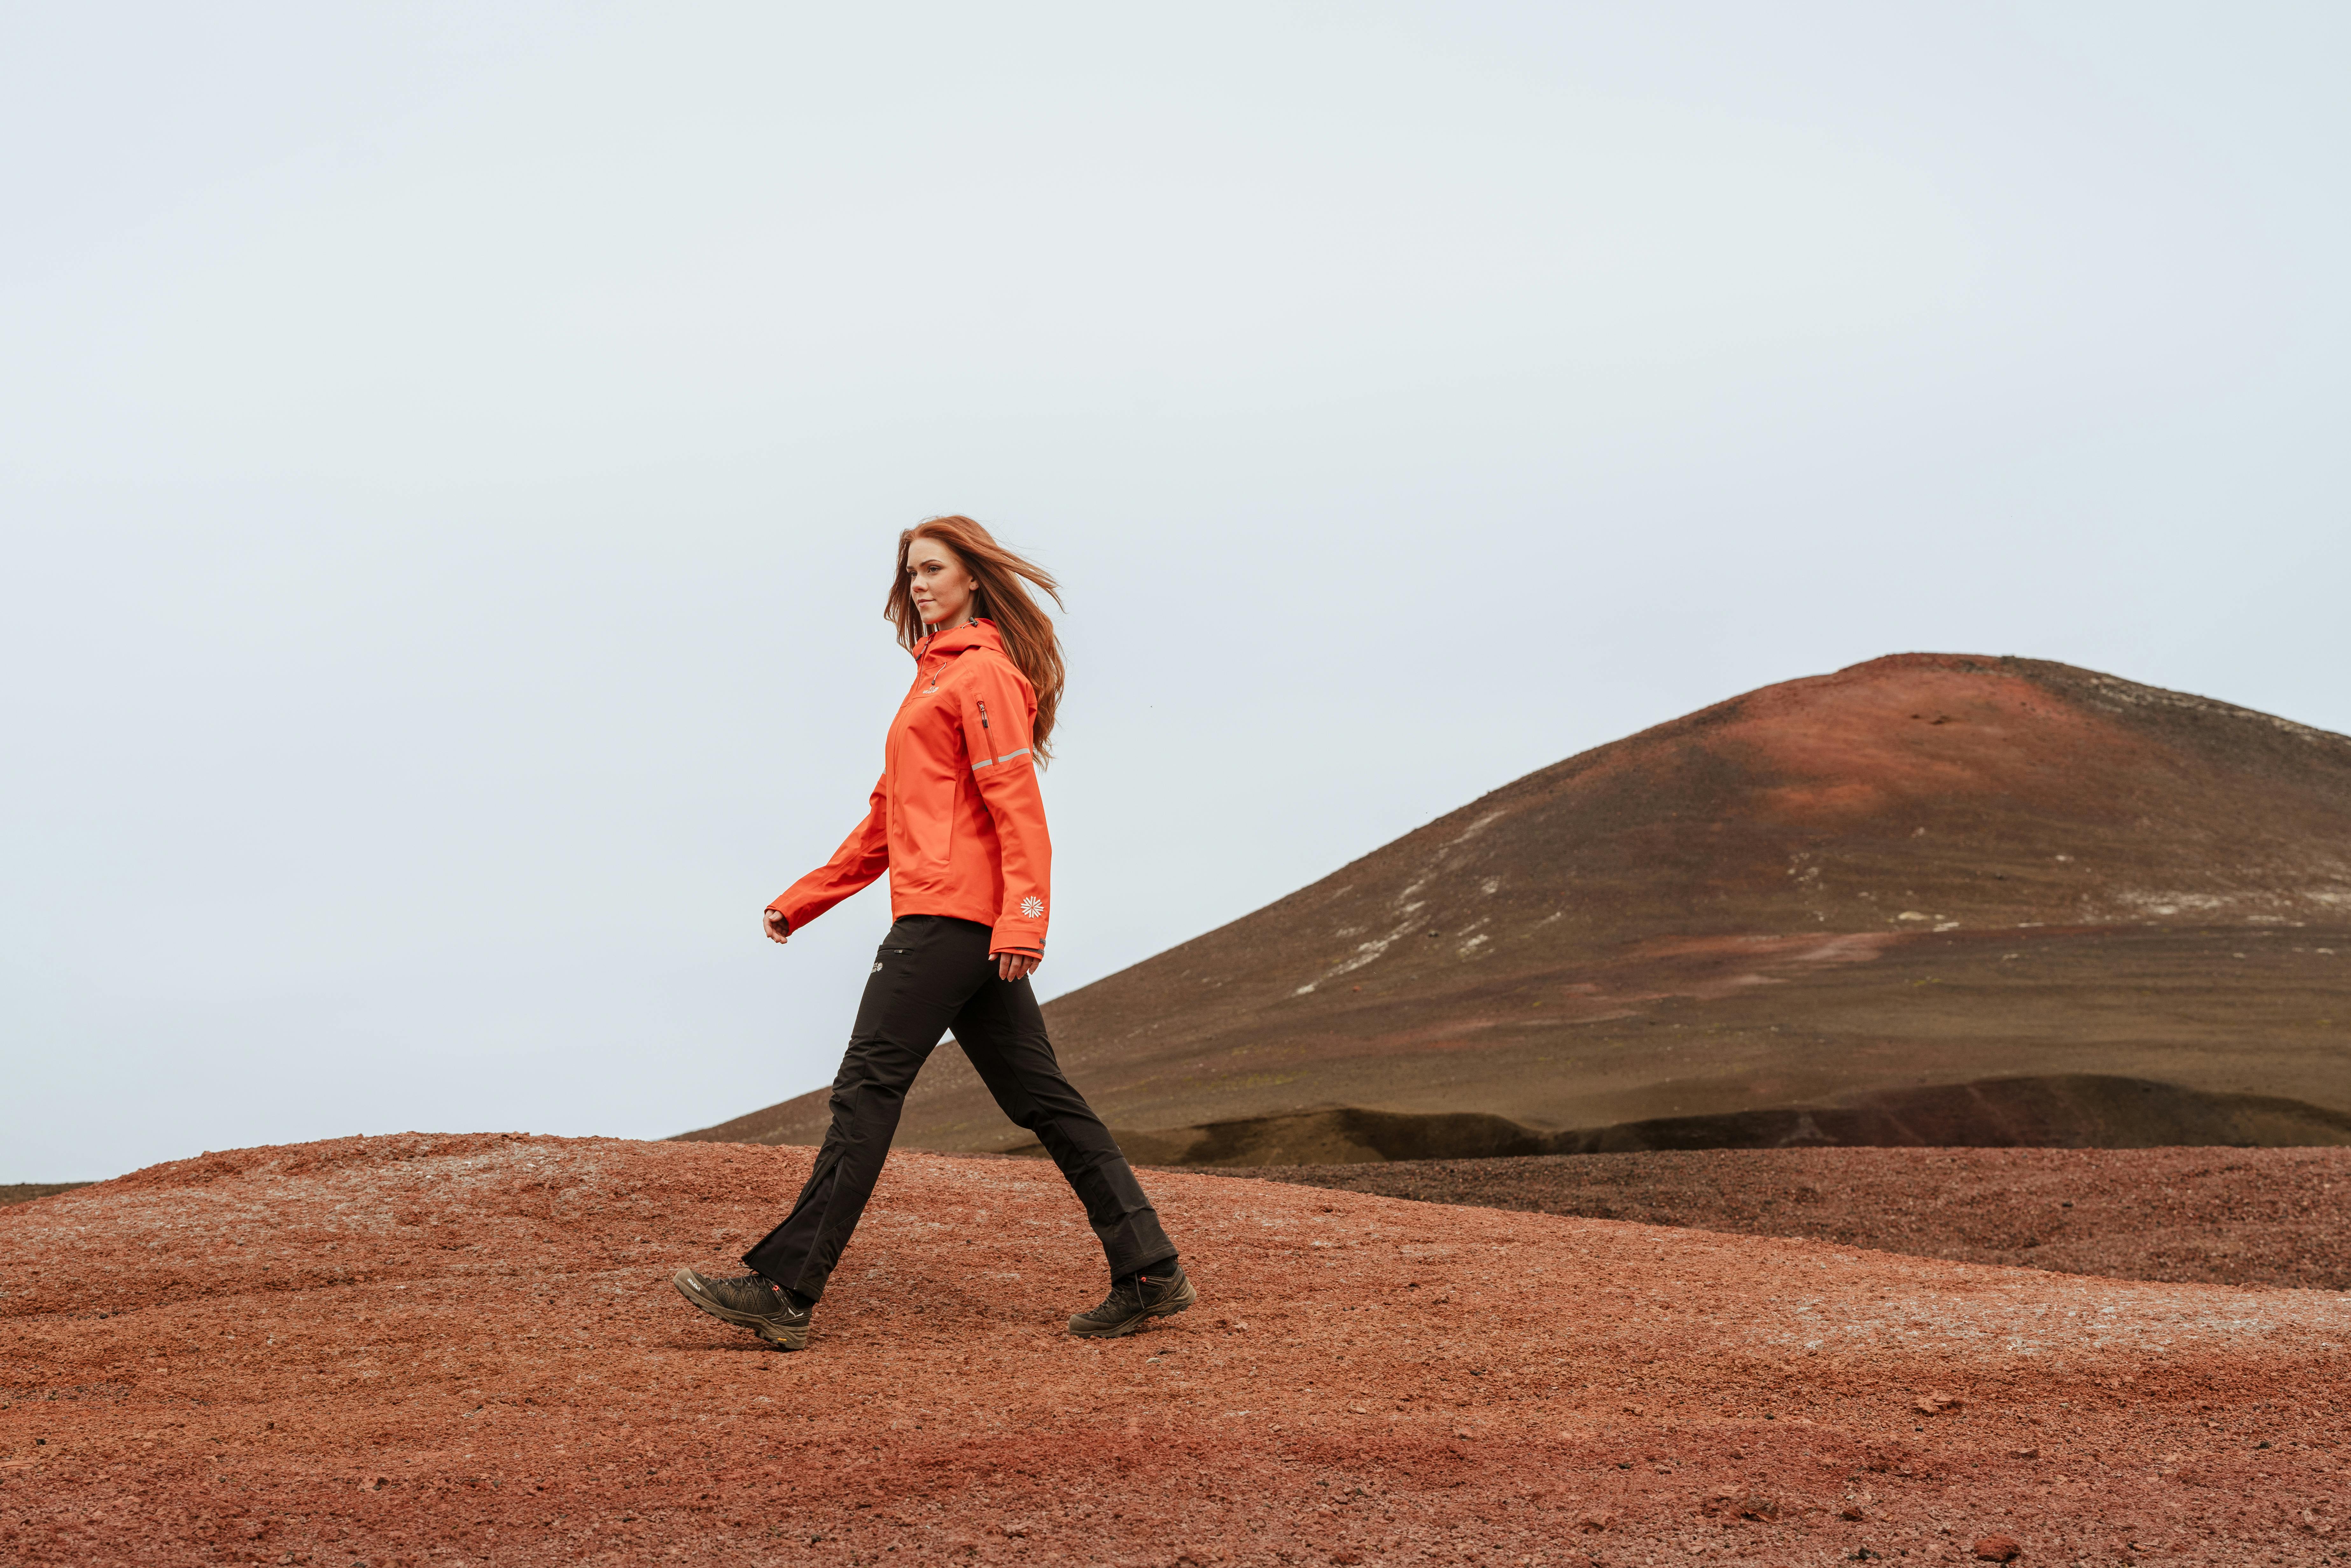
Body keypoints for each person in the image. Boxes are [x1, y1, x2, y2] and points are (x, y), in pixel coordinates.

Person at [672, 516, 1193, 1351]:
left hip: (952, 924)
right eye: (910, 572)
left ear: (973, 579)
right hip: (964, 928)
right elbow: (885, 821)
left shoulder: (981, 677)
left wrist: (1027, 916)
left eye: (934, 569)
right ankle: (1149, 1270)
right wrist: (803, 901)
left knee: (867, 1089)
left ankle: (784, 1286)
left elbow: (1018, 806)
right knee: (1044, 1101)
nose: (918, 584)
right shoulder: (930, 684)